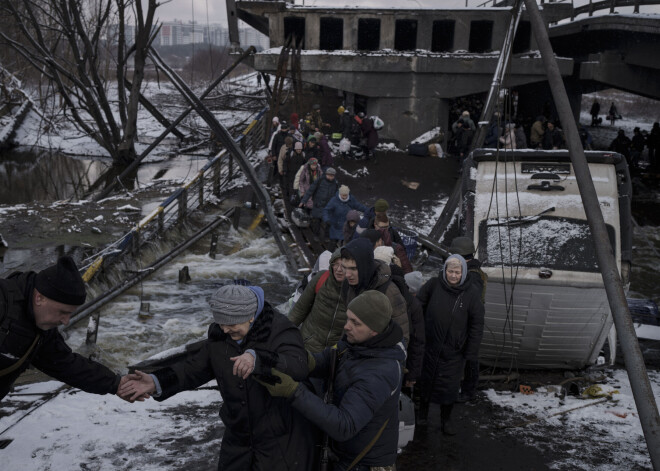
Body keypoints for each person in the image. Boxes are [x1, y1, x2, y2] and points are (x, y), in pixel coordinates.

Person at [119, 284, 316, 470]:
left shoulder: (279, 330)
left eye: (231, 324)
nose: (225, 330)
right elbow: (193, 368)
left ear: (250, 317)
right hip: (238, 437)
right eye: (221, 323)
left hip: (281, 438)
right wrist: (156, 381)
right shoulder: (222, 337)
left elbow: (299, 366)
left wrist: (259, 359)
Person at [258, 290, 405, 471]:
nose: (346, 326)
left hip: (365, 463)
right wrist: (283, 360)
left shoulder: (379, 373)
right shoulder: (357, 343)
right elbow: (325, 361)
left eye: (355, 323)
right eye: (348, 318)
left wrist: (293, 391)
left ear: (374, 330)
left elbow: (344, 425)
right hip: (345, 454)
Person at [0, 256, 131, 401]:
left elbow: (66, 364)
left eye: (70, 314)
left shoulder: (41, 331)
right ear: (39, 298)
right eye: (63, 312)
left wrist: (115, 383)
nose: (66, 321)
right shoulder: (3, 303)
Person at [418, 254, 485, 435]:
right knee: (425, 383)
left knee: (448, 388)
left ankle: (445, 420)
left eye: (457, 272)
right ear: (444, 270)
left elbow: (477, 324)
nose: (453, 276)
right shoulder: (433, 285)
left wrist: (471, 351)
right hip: (430, 347)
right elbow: (418, 306)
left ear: (463, 273)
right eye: (450, 271)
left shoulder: (471, 294)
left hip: (454, 351)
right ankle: (422, 416)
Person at [340, 238, 409, 344]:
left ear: (365, 266)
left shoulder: (389, 292)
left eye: (353, 269)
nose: (347, 274)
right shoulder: (348, 285)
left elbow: (401, 337)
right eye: (345, 267)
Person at [447, 237, 488, 404]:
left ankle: (468, 392)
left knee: (470, 356)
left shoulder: (472, 276)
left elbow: (470, 301)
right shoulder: (473, 271)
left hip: (468, 322)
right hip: (467, 321)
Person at [288, 249, 346, 355]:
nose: (338, 269)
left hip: (336, 352)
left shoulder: (356, 290)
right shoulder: (321, 278)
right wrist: (282, 333)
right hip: (309, 345)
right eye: (335, 264)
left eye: (343, 265)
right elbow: (299, 310)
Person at [300, 167, 339, 238]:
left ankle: (327, 236)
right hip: (318, 204)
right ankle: (316, 235)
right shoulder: (320, 180)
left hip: (329, 207)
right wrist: (303, 200)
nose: (330, 177)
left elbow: (337, 195)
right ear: (326, 174)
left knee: (329, 222)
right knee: (317, 221)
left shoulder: (335, 183)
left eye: (332, 175)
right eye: (329, 175)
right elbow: (310, 190)